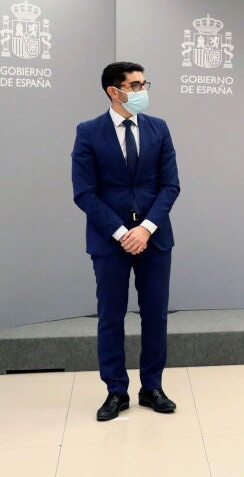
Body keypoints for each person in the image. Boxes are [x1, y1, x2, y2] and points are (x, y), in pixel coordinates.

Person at [72, 62, 180, 422]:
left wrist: (146, 228)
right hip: (110, 241)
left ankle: (152, 387)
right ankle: (116, 391)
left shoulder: (159, 128)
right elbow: (84, 193)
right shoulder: (88, 132)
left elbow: (170, 185)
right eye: (135, 85)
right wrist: (122, 233)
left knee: (155, 316)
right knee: (111, 317)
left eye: (144, 83)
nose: (142, 90)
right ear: (113, 91)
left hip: (154, 238)